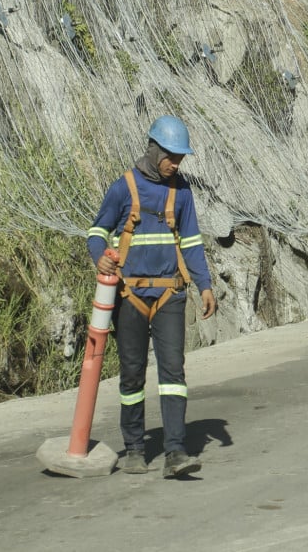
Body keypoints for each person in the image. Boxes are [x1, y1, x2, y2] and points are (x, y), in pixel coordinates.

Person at [88, 115, 217, 478]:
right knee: (131, 375)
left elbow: (191, 242)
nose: (175, 164)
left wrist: (205, 285)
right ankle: (134, 450)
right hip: (129, 296)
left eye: (180, 158)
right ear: (154, 149)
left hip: (169, 297)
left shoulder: (182, 192)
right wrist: (98, 254)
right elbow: (97, 231)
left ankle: (176, 451)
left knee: (173, 373)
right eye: (171, 156)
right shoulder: (123, 188)